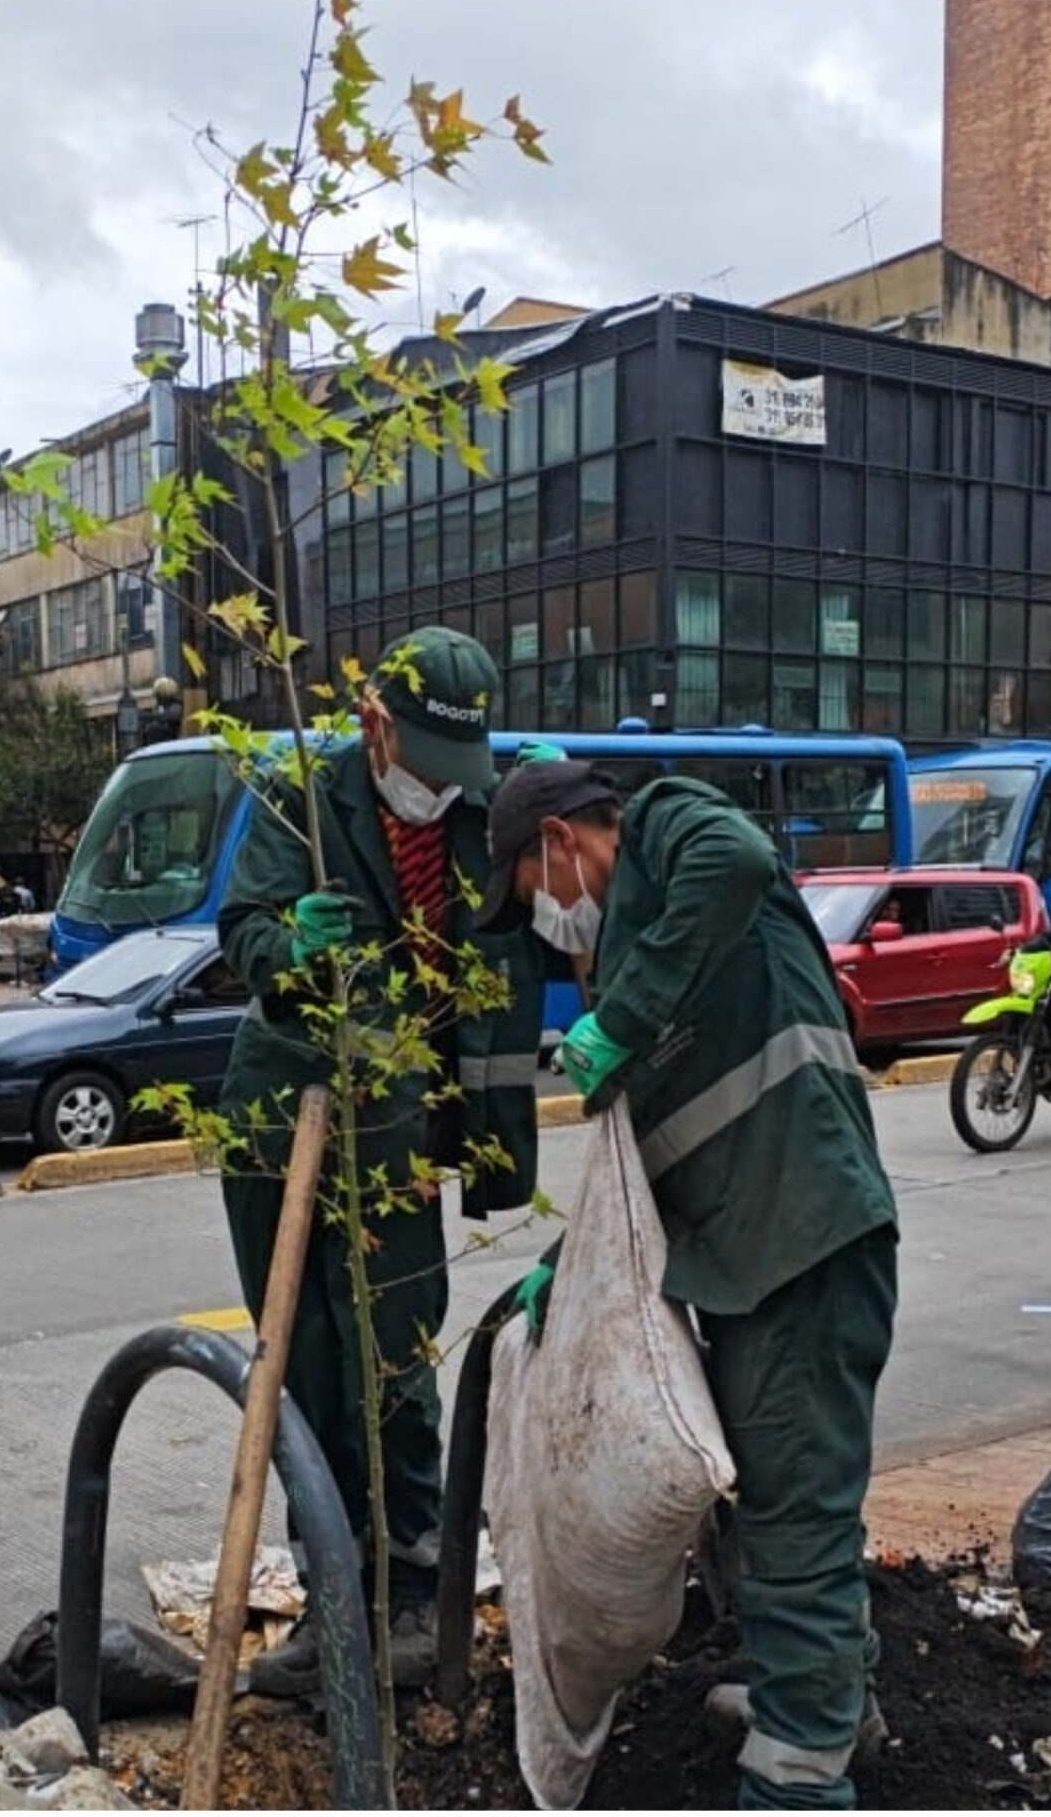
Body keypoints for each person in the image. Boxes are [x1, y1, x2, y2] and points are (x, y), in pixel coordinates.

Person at [476, 755, 897, 1810]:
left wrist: (622, 1020)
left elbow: (738, 859)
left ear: (559, 841)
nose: (545, 923)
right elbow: (645, 1178)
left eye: (531, 891)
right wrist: (565, 1269)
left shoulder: (667, 828)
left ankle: (798, 1776)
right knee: (773, 1512)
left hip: (805, 1244)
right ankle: (829, 1703)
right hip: (749, 1265)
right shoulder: (631, 956)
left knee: (795, 1522)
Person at [213, 625, 546, 1697]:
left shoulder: (479, 813)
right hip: (288, 1115)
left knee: (397, 1361)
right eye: (423, 764)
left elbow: (537, 930)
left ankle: (410, 1589)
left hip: (400, 1127)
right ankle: (332, 1594)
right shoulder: (302, 799)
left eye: (458, 772)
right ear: (374, 725)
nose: (436, 792)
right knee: (306, 1362)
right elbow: (241, 930)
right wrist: (290, 948)